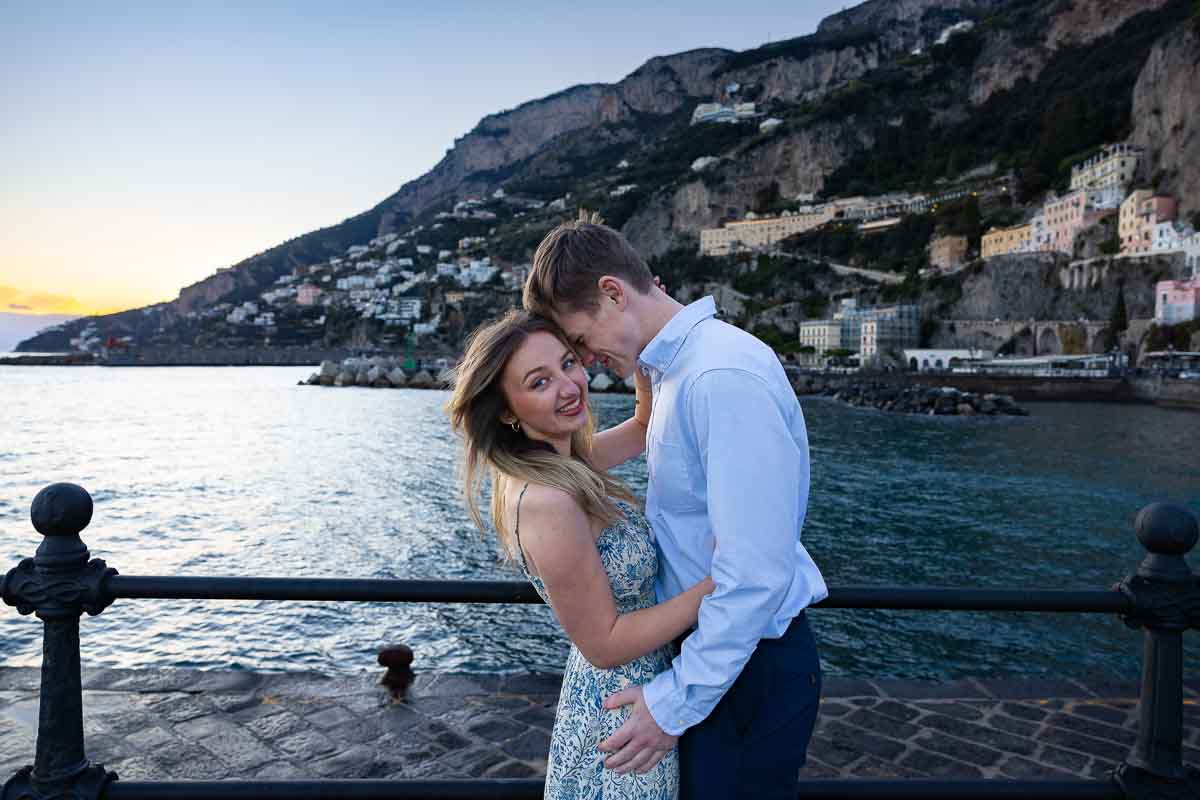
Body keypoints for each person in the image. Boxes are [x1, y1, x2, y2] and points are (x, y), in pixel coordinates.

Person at [524, 218, 828, 799]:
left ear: (613, 293)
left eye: (581, 341)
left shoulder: (718, 377)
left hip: (741, 668)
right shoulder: (675, 372)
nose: (585, 360)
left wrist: (673, 704)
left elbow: (755, 575)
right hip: (720, 659)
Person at [446, 309, 713, 799]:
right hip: (621, 710)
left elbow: (641, 424)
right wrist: (717, 586)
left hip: (635, 695)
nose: (570, 386)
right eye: (540, 381)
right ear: (507, 409)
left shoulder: (564, 462)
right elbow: (604, 642)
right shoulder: (548, 499)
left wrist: (638, 328)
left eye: (569, 363)